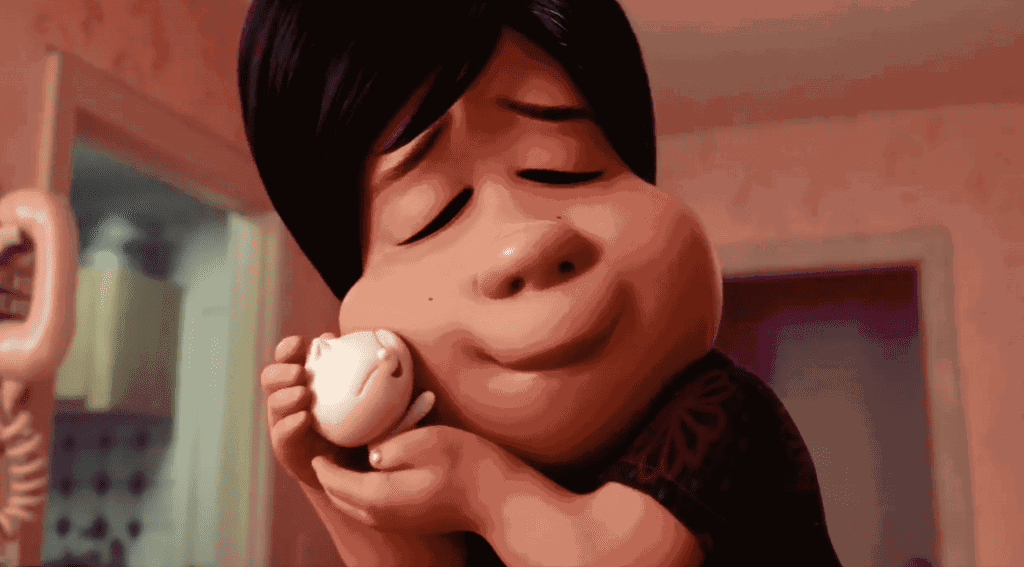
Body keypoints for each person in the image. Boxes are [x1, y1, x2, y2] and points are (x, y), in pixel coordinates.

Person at [238, 0, 845, 565]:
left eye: (562, 166)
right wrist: (333, 478)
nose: (527, 242)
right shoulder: (450, 455)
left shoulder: (721, 413)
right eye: (433, 215)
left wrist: (484, 493)